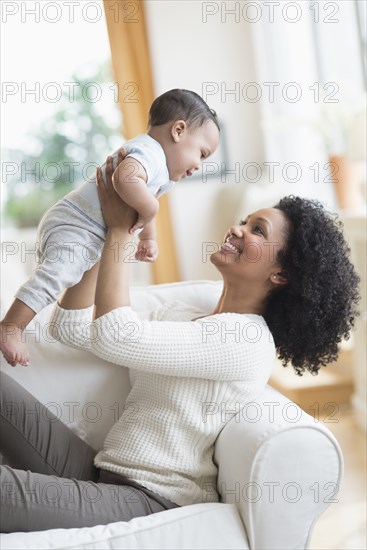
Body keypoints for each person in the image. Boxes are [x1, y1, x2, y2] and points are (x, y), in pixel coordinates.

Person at [0, 154, 360, 532]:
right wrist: (104, 229)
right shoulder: (185, 312)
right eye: (243, 221)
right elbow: (70, 330)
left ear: (281, 274)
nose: (237, 230)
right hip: (102, 471)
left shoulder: (248, 340)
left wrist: (124, 232)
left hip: (149, 498)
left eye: (258, 230)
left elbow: (115, 333)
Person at [0, 89, 220, 368]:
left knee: (59, 278)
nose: (198, 166)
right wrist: (151, 209)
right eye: (201, 153)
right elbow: (124, 179)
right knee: (54, 276)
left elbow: (143, 202)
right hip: (77, 222)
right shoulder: (149, 151)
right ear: (178, 130)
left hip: (88, 230)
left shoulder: (160, 170)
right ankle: (11, 325)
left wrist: (148, 237)